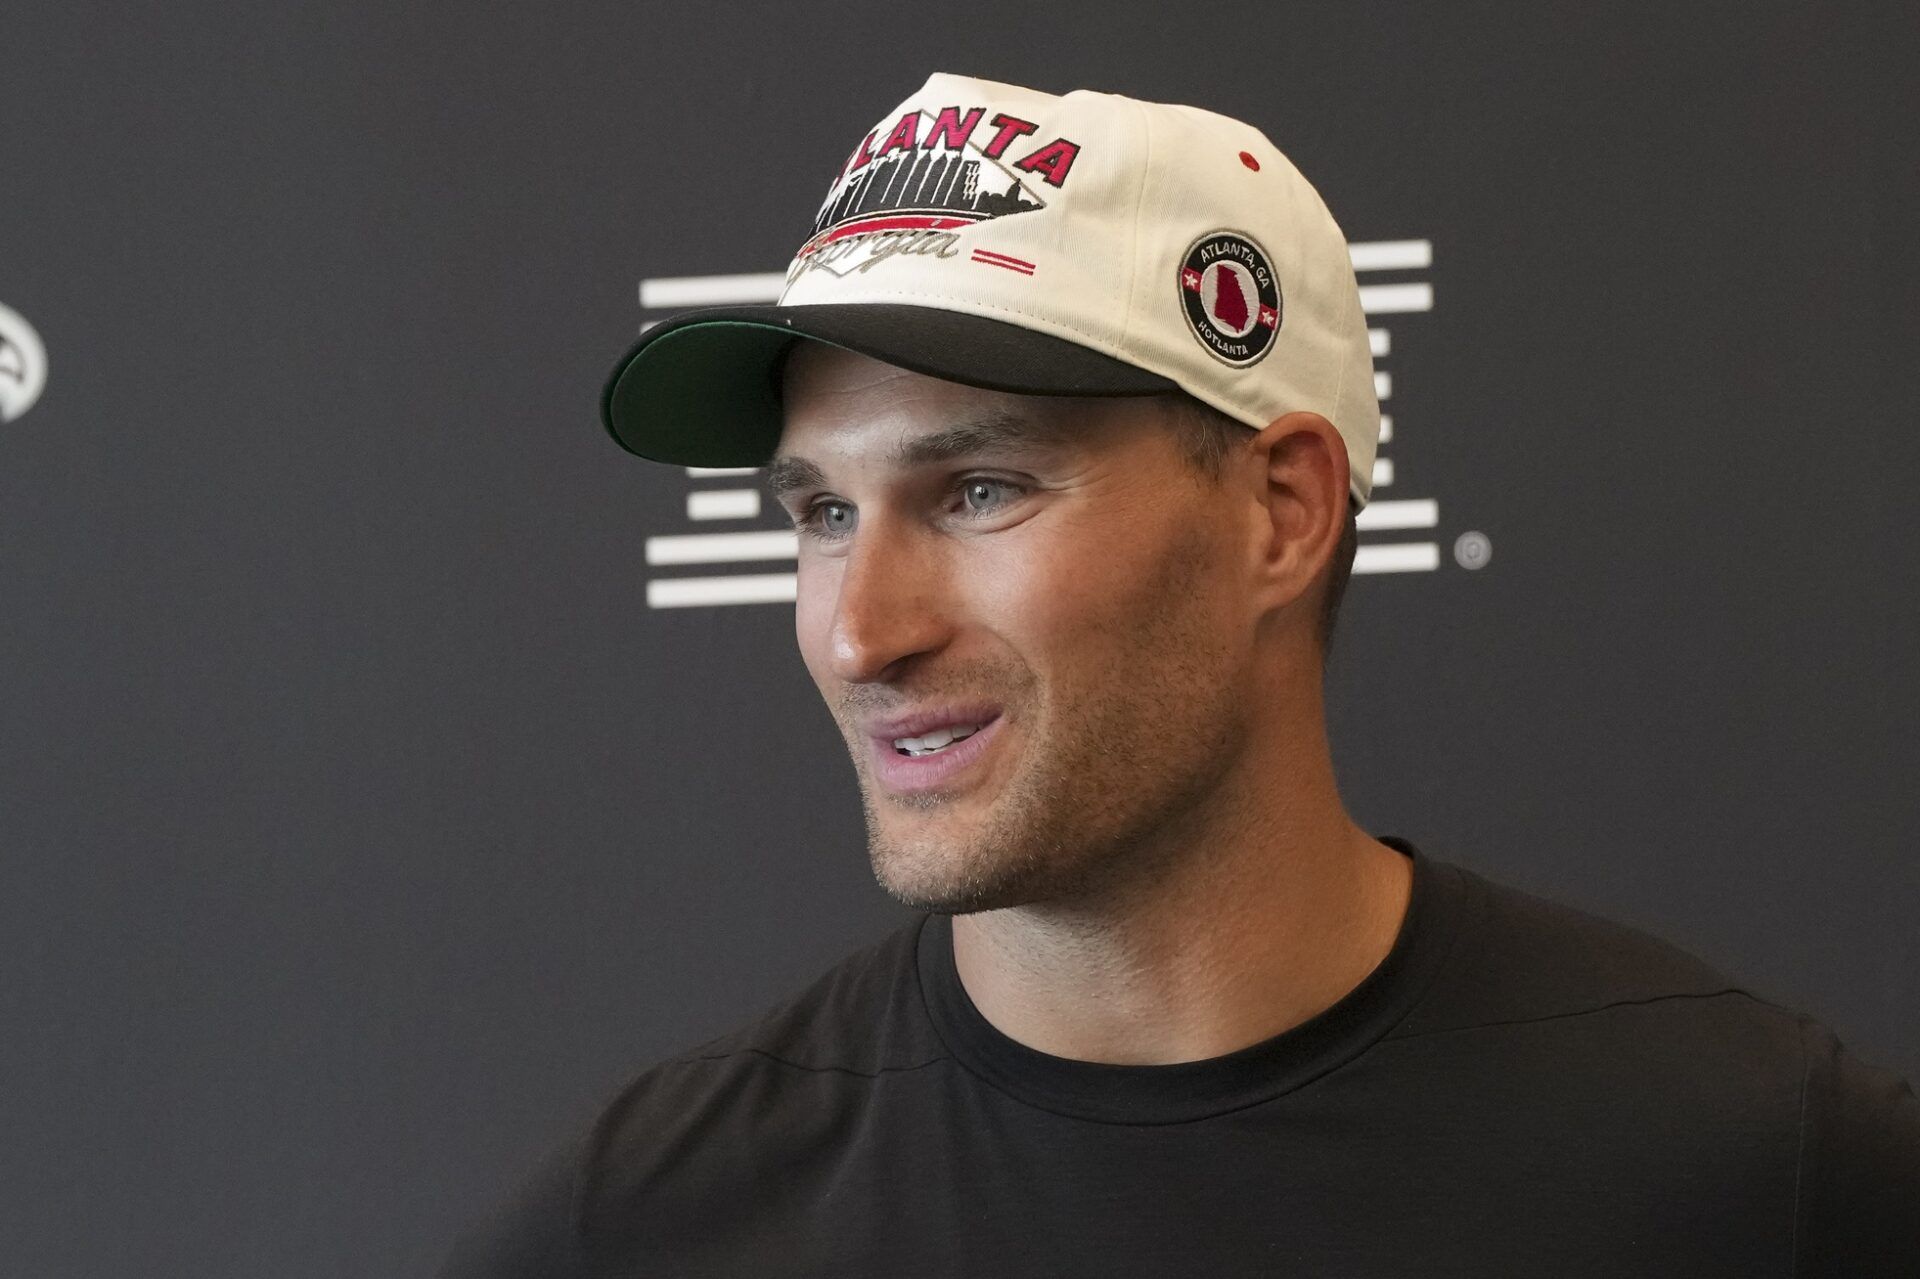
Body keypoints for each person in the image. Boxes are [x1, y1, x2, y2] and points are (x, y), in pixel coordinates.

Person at [440, 72, 1919, 1276]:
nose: (857, 633)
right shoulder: (638, 1232)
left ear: (1282, 511)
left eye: (978, 492)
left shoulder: (1761, 1175)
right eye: (824, 512)